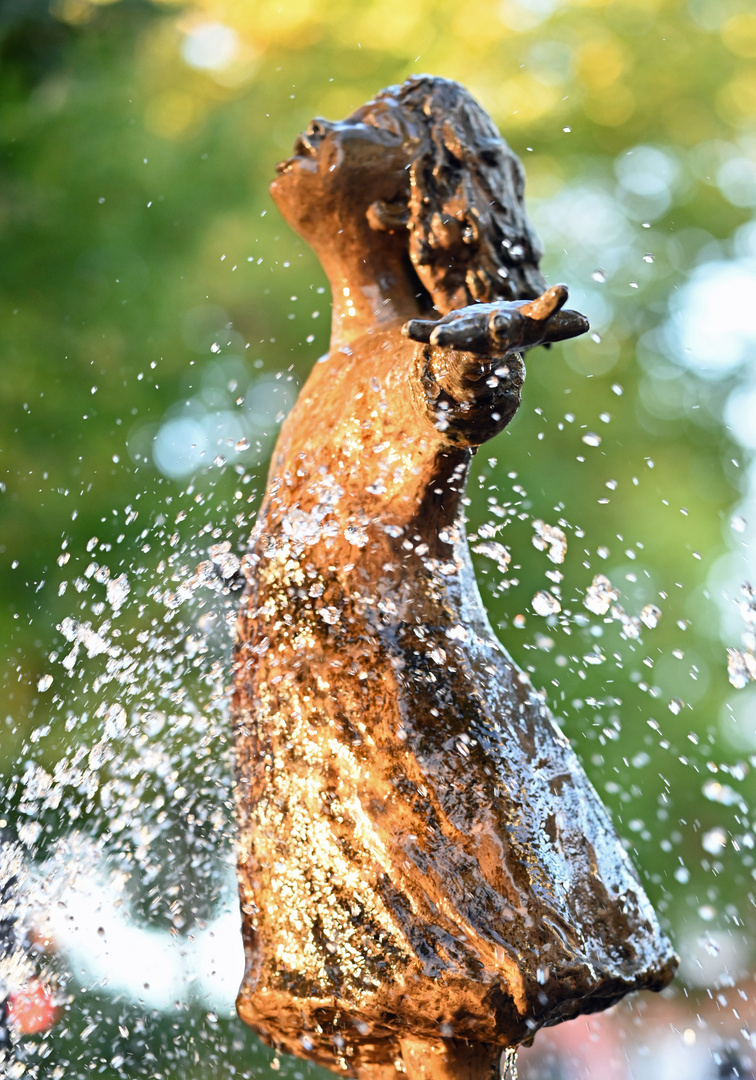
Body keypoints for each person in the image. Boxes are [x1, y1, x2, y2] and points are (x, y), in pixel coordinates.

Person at [233, 76, 677, 1080]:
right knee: (374, 1023)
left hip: (411, 730)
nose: (321, 128)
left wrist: (480, 357)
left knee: (442, 1018)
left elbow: (460, 399)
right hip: (322, 731)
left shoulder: (407, 356)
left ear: (398, 205)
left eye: (367, 132)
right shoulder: (333, 369)